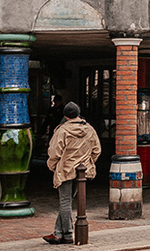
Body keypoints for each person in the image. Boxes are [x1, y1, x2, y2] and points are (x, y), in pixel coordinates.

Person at [43, 102, 101, 245]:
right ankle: (57, 233)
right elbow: (96, 150)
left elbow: (54, 152)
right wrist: (88, 162)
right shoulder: (89, 129)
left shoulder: (62, 130)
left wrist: (52, 166)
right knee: (67, 202)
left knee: (65, 202)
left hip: (66, 170)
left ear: (65, 116)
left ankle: (67, 234)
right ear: (78, 113)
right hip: (82, 171)